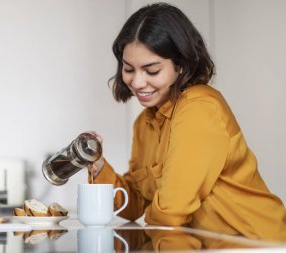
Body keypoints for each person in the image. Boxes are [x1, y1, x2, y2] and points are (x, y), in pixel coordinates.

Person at [87, 2, 286, 242]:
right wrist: (97, 164)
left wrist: (157, 213)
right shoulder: (144, 123)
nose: (137, 82)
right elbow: (132, 206)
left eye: (152, 71)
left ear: (180, 66)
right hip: (201, 244)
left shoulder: (199, 107)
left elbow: (171, 214)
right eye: (129, 69)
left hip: (254, 244)